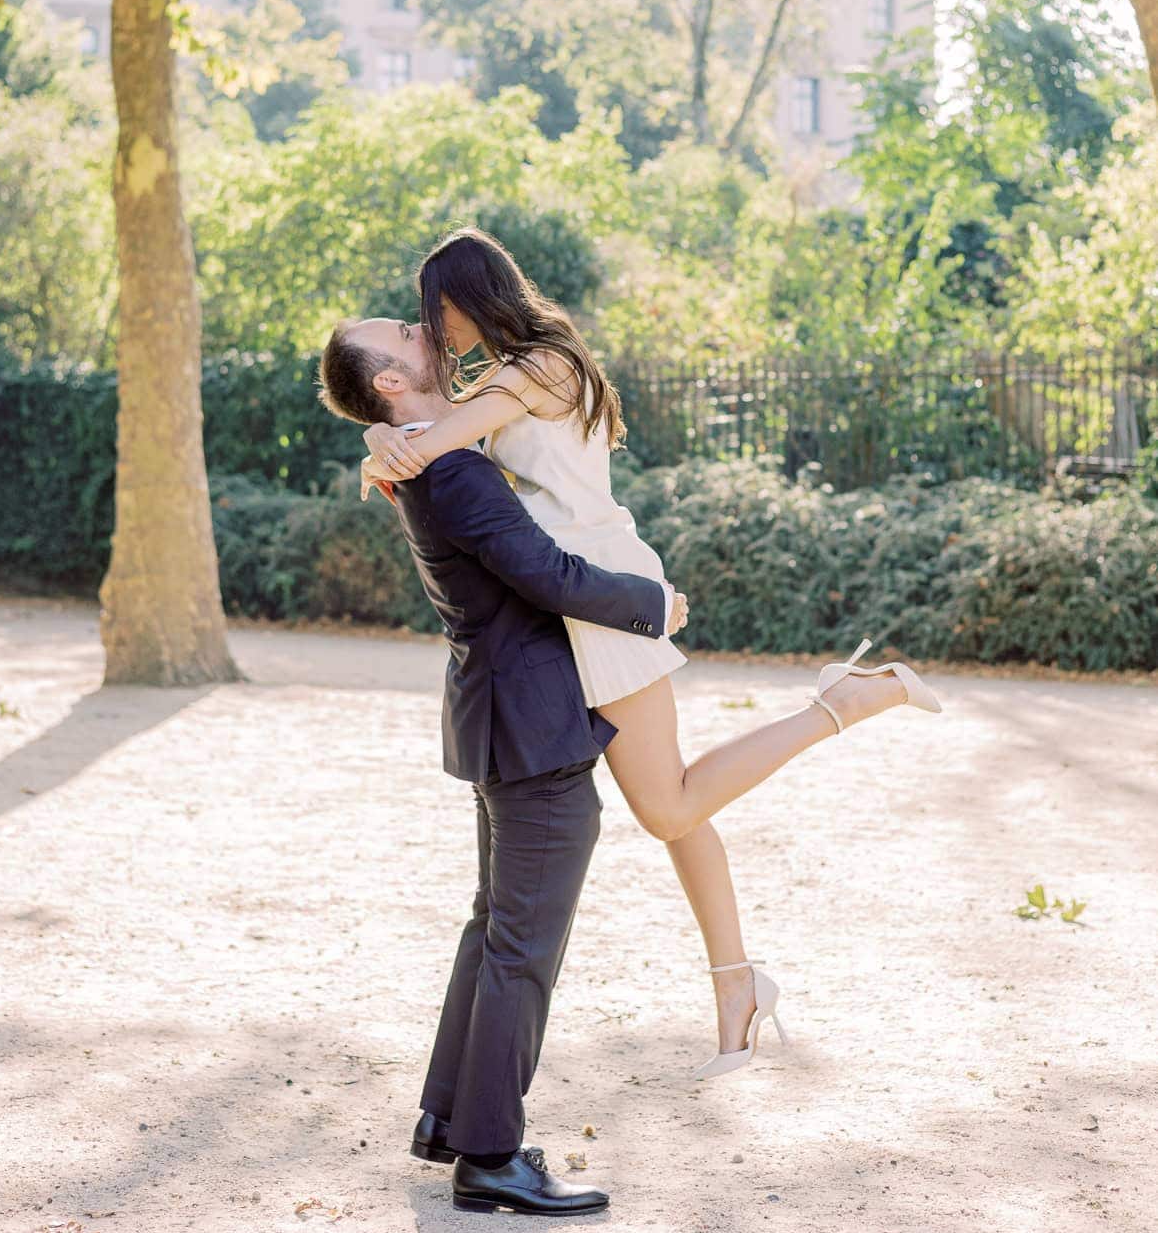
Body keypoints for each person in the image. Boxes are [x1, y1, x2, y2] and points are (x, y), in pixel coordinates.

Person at [354, 230, 942, 1080]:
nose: (433, 332)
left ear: (469, 295)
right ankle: (737, 983)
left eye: (433, 314)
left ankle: (841, 703)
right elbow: (427, 432)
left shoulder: (540, 367)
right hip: (576, 594)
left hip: (602, 591)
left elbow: (434, 439)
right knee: (679, 807)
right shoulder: (503, 375)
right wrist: (383, 444)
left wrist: (387, 445)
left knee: (667, 807)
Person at [318, 314, 687, 1217]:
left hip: (502, 717)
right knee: (521, 945)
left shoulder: (421, 451)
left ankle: (451, 1121)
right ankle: (489, 1155)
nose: (422, 328)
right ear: (394, 382)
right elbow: (550, 574)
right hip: (532, 728)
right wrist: (655, 604)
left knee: (496, 931)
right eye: (405, 334)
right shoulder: (448, 466)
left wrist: (378, 433)